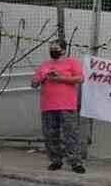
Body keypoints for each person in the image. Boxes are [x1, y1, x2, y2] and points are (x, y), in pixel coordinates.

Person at [31, 39, 86, 174]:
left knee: (71, 134)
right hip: (48, 105)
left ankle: (75, 162)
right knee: (50, 134)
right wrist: (43, 77)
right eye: (51, 48)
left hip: (66, 105)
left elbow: (80, 79)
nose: (52, 50)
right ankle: (55, 160)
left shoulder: (71, 63)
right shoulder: (44, 65)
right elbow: (33, 83)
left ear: (63, 50)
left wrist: (59, 77)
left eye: (55, 48)